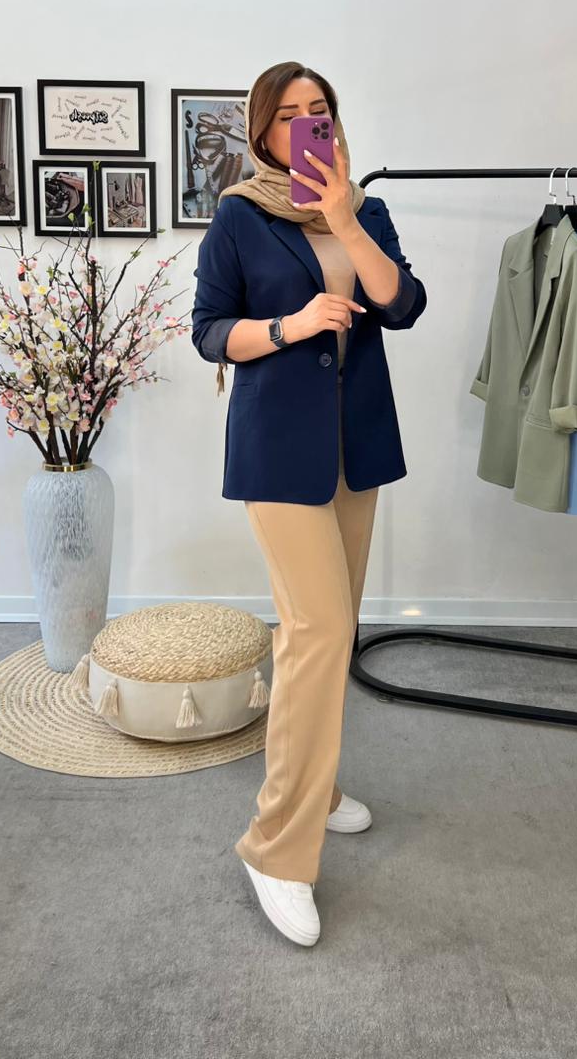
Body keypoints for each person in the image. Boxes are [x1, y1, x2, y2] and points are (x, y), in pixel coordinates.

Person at [191, 61, 427, 946]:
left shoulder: (364, 209)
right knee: (320, 629)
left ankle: (316, 789)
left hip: (354, 451)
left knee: (321, 633)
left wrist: (343, 218)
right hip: (278, 453)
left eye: (316, 110)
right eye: (286, 114)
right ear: (262, 132)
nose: (303, 125)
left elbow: (402, 304)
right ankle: (276, 848)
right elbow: (209, 330)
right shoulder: (239, 215)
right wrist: (291, 327)